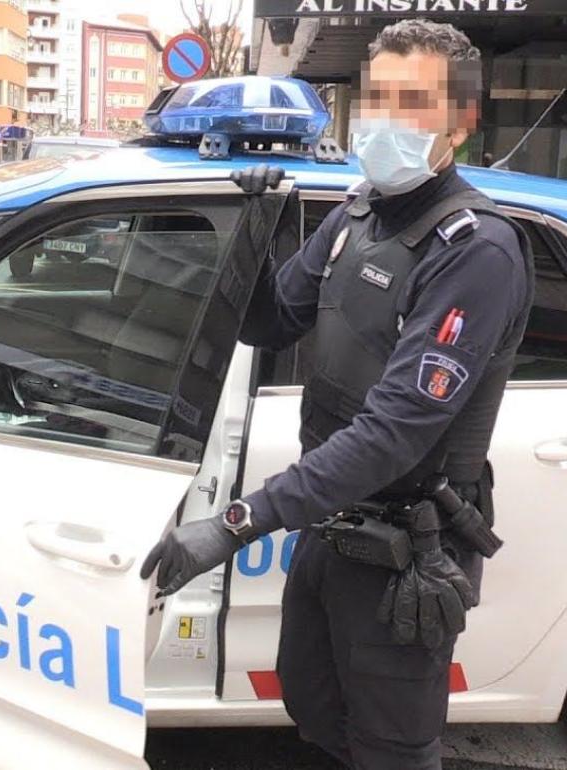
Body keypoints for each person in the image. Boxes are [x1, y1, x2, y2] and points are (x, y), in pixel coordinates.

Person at [141, 19, 534, 770]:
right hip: (329, 531)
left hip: (403, 556)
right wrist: (251, 232)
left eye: (412, 101)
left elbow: (393, 432)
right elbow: (269, 320)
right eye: (377, 98)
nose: (387, 120)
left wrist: (234, 524)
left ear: (461, 120)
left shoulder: (476, 251)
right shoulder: (356, 214)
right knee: (313, 709)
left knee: (390, 748)